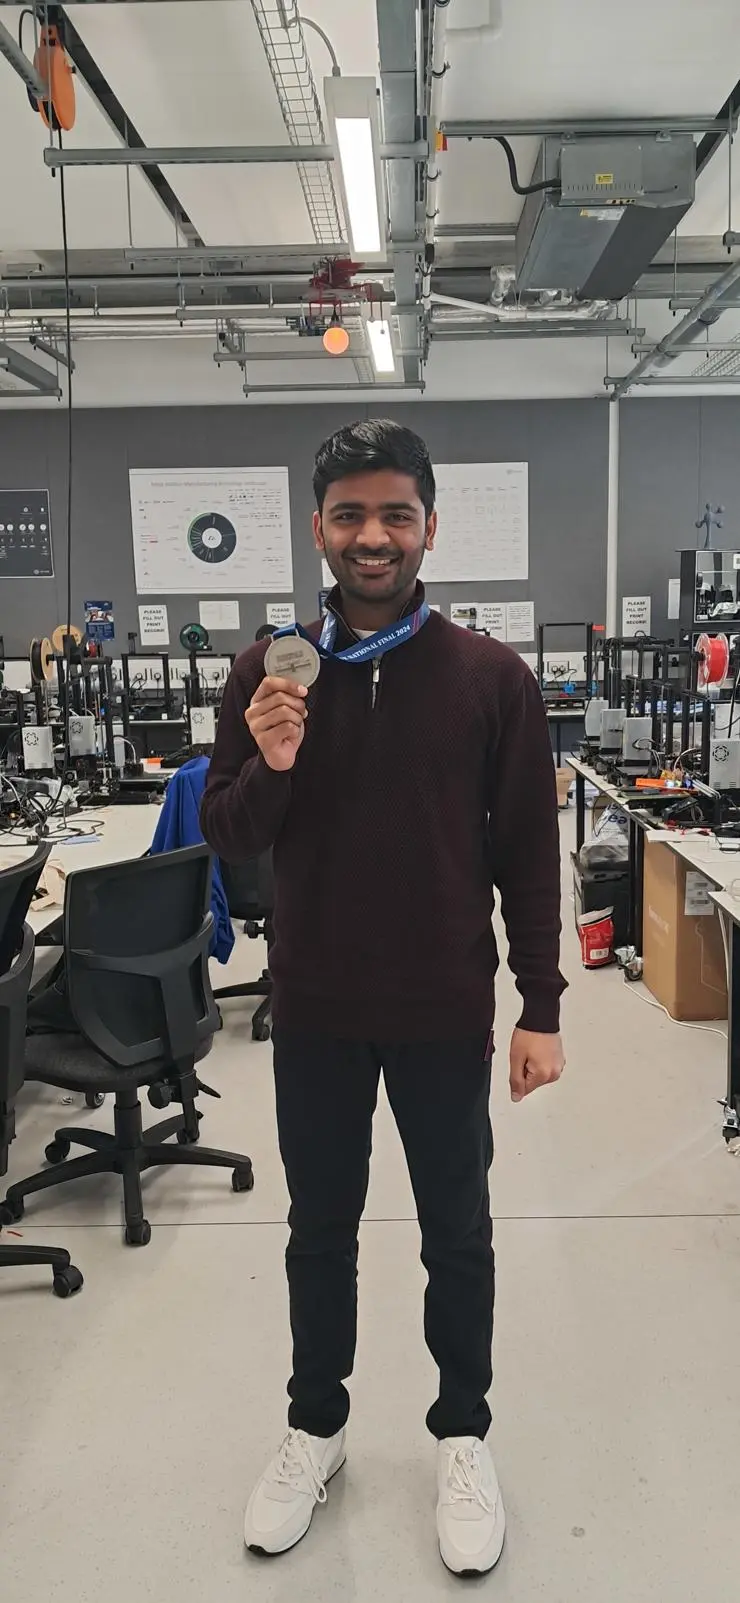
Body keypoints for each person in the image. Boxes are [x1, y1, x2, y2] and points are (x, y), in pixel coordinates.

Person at [201, 419, 566, 1577]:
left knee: (457, 1236)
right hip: (310, 1007)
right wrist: (273, 762)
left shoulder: (487, 678)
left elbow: (528, 851)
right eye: (350, 515)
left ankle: (462, 1432)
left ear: (427, 526)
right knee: (320, 1233)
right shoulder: (266, 672)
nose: (372, 536)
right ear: (317, 527)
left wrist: (542, 1003)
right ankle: (317, 1428)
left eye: (393, 514)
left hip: (442, 1008)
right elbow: (227, 838)